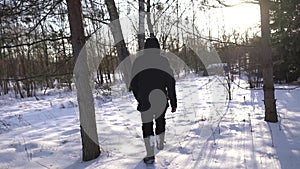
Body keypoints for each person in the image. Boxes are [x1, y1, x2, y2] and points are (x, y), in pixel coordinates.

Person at [130, 37, 177, 164]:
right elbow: (170, 82)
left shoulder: (139, 61)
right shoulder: (163, 61)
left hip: (145, 100)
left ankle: (150, 154)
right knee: (160, 120)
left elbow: (133, 83)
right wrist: (173, 101)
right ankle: (160, 143)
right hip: (161, 99)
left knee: (147, 125)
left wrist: (139, 97)